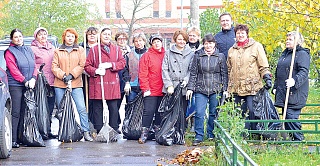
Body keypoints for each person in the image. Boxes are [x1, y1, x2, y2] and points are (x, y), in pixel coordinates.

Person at [227, 24, 272, 131]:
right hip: (236, 87)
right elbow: (229, 69)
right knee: (239, 112)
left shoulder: (256, 47)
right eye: (238, 33)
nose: (240, 35)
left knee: (252, 110)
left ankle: (255, 133)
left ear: (247, 34)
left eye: (242, 33)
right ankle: (243, 135)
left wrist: (267, 77)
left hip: (252, 86)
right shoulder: (231, 50)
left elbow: (263, 64)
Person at [52, 28, 93, 142]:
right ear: (64, 37)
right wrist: (64, 76)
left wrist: (72, 75)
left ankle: (86, 132)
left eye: (72, 36)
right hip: (60, 84)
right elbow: (54, 67)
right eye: (68, 36)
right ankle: (64, 132)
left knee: (81, 108)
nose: (70, 38)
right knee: (62, 109)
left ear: (75, 38)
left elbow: (82, 65)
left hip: (76, 83)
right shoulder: (57, 51)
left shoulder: (80, 50)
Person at [186, 33, 228, 146]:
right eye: (206, 43)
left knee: (213, 112)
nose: (208, 46)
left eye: (210, 43)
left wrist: (225, 88)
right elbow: (193, 73)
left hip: (216, 89)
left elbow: (224, 73)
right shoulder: (198, 56)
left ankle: (211, 134)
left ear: (214, 44)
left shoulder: (220, 56)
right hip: (201, 89)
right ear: (203, 44)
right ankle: (199, 135)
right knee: (199, 112)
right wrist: (190, 88)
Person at [84, 27, 126, 134]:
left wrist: (111, 65)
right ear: (100, 36)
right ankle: (99, 130)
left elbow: (122, 63)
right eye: (104, 34)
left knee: (113, 107)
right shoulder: (94, 50)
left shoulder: (116, 49)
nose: (106, 36)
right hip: (98, 82)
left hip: (112, 82)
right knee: (98, 107)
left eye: (108, 34)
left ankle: (113, 129)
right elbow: (87, 66)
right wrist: (96, 70)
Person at [273, 31, 310, 141]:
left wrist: (294, 80)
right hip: (284, 91)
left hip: (296, 92)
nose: (287, 41)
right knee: (286, 115)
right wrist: (275, 86)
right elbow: (278, 71)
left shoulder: (302, 54)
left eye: (290, 39)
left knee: (291, 116)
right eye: (287, 39)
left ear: (297, 41)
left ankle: (299, 140)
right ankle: (292, 139)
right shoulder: (285, 54)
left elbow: (304, 71)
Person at [4, 29, 37, 148]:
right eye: (16, 37)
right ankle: (12, 140)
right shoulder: (9, 52)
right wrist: (24, 81)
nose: (18, 39)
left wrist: (33, 78)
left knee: (25, 111)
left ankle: (22, 137)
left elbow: (34, 65)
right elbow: (13, 70)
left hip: (29, 83)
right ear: (12, 39)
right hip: (16, 85)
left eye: (20, 36)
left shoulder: (28, 49)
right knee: (16, 112)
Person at [162, 30, 194, 129]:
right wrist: (169, 85)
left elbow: (191, 69)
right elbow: (164, 68)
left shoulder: (191, 53)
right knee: (170, 112)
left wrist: (186, 80)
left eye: (184, 39)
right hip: (171, 87)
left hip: (183, 88)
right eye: (179, 39)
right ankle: (168, 132)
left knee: (182, 111)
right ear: (175, 40)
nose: (182, 41)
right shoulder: (168, 53)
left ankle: (181, 132)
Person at [138, 34, 165, 144]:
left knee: (160, 112)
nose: (157, 43)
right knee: (148, 111)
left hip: (163, 89)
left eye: (158, 41)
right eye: (154, 42)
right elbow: (142, 73)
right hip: (151, 89)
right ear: (151, 44)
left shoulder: (166, 55)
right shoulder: (147, 56)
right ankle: (144, 132)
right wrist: (145, 88)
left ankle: (157, 131)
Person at [30, 27, 57, 139]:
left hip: (52, 82)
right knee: (41, 107)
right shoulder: (32, 49)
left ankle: (48, 130)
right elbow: (32, 65)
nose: (43, 37)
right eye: (40, 35)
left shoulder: (52, 48)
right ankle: (41, 131)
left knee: (50, 108)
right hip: (40, 83)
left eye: (44, 34)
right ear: (36, 37)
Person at [185, 26, 203, 132]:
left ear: (198, 37)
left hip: (199, 80)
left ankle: (194, 124)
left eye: (194, 35)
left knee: (196, 103)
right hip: (186, 79)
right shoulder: (184, 47)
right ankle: (185, 123)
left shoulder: (201, 49)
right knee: (187, 103)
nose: (192, 37)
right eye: (190, 35)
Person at [79, 27, 98, 121]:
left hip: (97, 78)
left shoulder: (100, 47)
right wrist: (84, 70)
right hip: (84, 78)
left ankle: (97, 122)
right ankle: (88, 122)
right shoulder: (81, 47)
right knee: (86, 101)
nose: (92, 36)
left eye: (94, 34)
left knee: (96, 101)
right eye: (90, 34)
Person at [114, 31, 131, 128]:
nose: (122, 41)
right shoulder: (114, 51)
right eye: (119, 39)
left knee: (129, 105)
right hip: (117, 80)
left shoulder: (131, 51)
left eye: (124, 39)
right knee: (116, 105)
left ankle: (127, 125)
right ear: (116, 40)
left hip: (129, 81)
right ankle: (116, 124)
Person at [126, 32, 148, 102]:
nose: (138, 43)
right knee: (130, 109)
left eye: (140, 40)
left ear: (144, 41)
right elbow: (126, 69)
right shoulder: (129, 55)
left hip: (146, 87)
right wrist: (127, 82)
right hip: (132, 87)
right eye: (136, 41)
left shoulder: (149, 54)